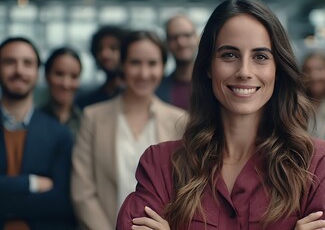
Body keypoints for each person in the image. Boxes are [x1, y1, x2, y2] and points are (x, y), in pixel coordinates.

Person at [117, 0, 325, 230]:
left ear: (278, 69)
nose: (244, 71)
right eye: (229, 55)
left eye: (260, 57)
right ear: (209, 66)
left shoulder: (319, 165)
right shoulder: (160, 164)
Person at [71, 30, 187, 230]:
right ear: (122, 66)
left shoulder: (180, 121)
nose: (143, 73)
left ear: (162, 68)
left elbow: (186, 191)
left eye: (152, 64)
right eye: (135, 63)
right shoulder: (93, 117)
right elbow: (82, 191)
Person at [0, 37, 75, 229]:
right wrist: (30, 184)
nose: (19, 70)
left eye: (27, 63)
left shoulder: (60, 134)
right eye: (9, 62)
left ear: (37, 72)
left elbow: (62, 203)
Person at [75, 25, 127, 109]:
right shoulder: (88, 102)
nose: (105, 54)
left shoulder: (141, 95)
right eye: (100, 49)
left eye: (113, 48)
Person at [156, 14, 199, 110]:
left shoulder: (214, 83)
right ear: (166, 43)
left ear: (197, 38)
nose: (181, 42)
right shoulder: (157, 88)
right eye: (174, 37)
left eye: (187, 35)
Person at [40, 47, 82, 138]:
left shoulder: (86, 123)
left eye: (74, 76)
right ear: (47, 76)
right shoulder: (33, 122)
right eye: (59, 74)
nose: (66, 84)